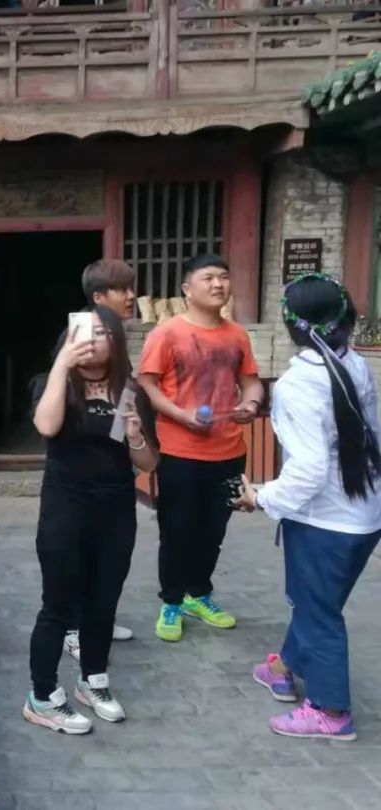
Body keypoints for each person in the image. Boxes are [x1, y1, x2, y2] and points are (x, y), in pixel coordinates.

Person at [233, 273, 380, 742]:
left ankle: (330, 711)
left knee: (319, 614)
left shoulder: (299, 383)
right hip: (363, 513)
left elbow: (310, 469)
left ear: (292, 326)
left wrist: (261, 496)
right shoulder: (354, 363)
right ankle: (283, 668)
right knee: (319, 602)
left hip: (325, 521)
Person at [24, 307, 157, 733]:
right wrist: (62, 365)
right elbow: (47, 426)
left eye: (103, 332)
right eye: (86, 332)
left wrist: (136, 437)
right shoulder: (54, 384)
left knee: (104, 601)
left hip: (115, 511)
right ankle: (42, 694)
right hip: (65, 509)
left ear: (116, 341)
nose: (94, 339)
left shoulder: (128, 391)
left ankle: (93, 680)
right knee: (58, 604)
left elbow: (147, 463)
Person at [138, 254, 264, 642]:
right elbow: (147, 383)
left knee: (214, 530)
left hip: (229, 452)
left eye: (223, 277)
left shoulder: (237, 335)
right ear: (187, 289)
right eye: (208, 278)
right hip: (179, 452)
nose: (218, 284)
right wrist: (180, 414)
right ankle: (172, 601)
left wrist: (251, 404)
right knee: (177, 529)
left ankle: (199, 594)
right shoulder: (167, 333)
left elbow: (251, 381)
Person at [62, 259, 139, 662]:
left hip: (113, 472)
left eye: (131, 287)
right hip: (78, 475)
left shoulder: (118, 338)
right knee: (79, 554)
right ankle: (73, 627)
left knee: (109, 556)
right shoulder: (79, 337)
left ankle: (97, 621)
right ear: (98, 297)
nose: (131, 296)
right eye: (121, 289)